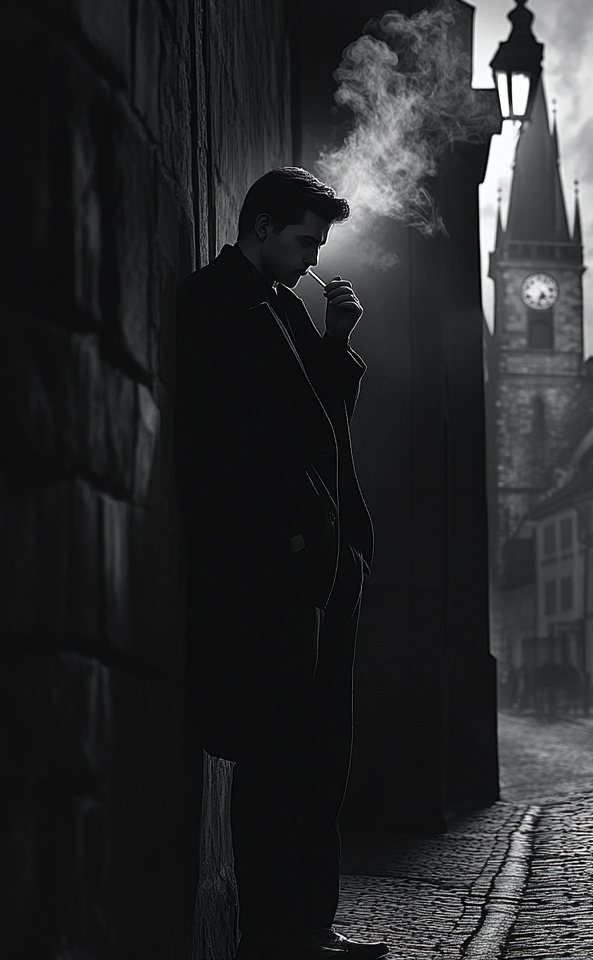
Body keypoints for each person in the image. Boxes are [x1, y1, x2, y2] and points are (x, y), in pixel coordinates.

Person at [176, 167, 385, 959]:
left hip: (323, 573)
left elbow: (321, 422)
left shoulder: (287, 307)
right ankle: (278, 932)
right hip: (274, 577)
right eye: (303, 240)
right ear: (261, 226)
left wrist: (335, 341)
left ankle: (310, 922)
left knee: (321, 757)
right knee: (276, 759)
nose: (311, 258)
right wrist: (291, 538)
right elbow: (227, 441)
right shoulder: (215, 301)